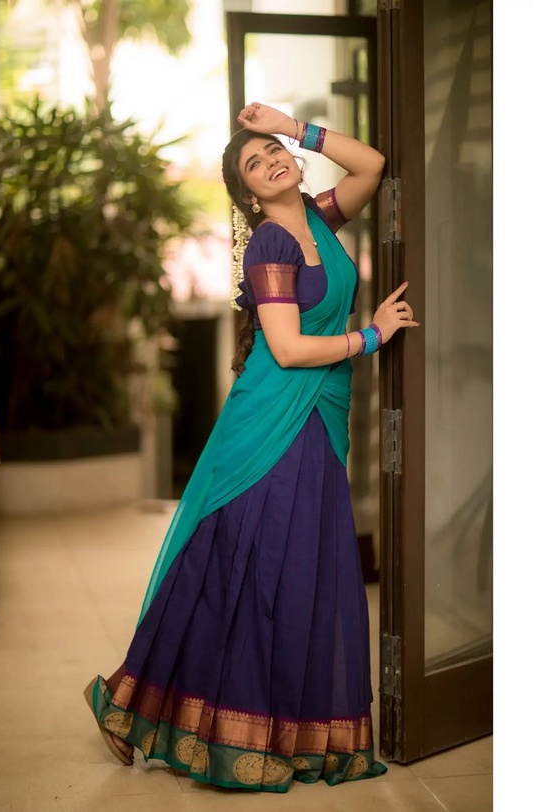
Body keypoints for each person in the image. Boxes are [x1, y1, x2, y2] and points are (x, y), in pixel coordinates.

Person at [83, 101, 420, 793]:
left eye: (273, 153)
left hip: (319, 416)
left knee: (305, 571)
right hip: (273, 417)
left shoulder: (319, 219)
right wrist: (372, 336)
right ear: (248, 195)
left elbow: (373, 165)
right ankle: (133, 705)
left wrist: (292, 127)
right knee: (238, 566)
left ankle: (290, 731)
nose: (269, 163)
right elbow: (288, 349)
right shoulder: (270, 244)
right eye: (253, 164)